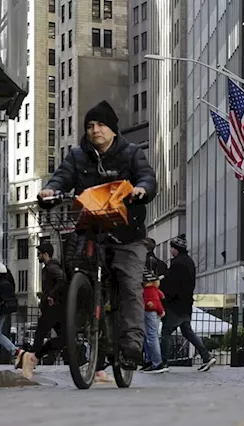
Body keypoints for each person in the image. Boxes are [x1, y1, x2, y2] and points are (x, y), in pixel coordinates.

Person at [38, 100, 157, 370]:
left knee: (129, 284)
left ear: (113, 129)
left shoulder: (131, 153)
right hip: (91, 230)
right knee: (77, 274)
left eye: (101, 125)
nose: (95, 130)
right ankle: (88, 327)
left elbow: (148, 178)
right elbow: (62, 178)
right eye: (90, 126)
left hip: (128, 234)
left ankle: (132, 346)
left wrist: (141, 190)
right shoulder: (77, 156)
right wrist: (49, 191)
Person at [160, 234, 216, 372]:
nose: (170, 251)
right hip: (186, 303)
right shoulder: (190, 262)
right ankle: (206, 356)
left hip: (175, 304)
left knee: (166, 331)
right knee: (187, 331)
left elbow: (171, 284)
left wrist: (164, 293)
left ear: (176, 249)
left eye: (172, 248)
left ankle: (163, 362)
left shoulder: (176, 263)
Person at [17, 242, 67, 379]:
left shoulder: (51, 267)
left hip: (52, 308)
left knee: (40, 336)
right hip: (54, 308)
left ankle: (31, 360)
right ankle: (33, 358)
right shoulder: (49, 268)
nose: (38, 256)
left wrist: (51, 295)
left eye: (39, 254)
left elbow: (62, 280)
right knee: (64, 337)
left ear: (45, 254)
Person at [141, 238, 168, 372]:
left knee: (150, 335)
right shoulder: (159, 264)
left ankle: (156, 362)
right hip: (155, 303)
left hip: (147, 303)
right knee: (151, 333)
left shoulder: (141, 261)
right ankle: (151, 361)